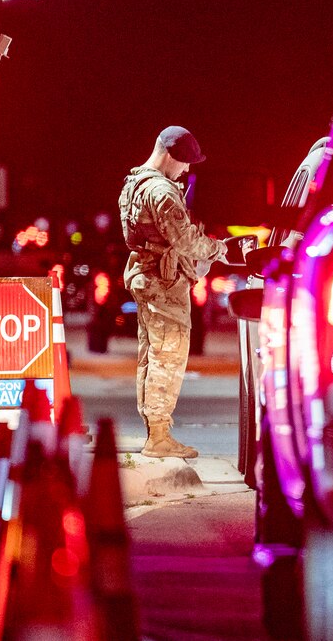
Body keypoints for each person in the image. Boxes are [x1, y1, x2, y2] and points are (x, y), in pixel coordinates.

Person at [118, 126, 228, 458]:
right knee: (168, 356)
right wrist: (218, 249)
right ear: (170, 155)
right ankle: (159, 438)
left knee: (151, 357)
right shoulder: (161, 192)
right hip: (164, 285)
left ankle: (155, 431)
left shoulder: (133, 184)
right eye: (184, 163)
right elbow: (186, 240)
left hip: (145, 278)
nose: (187, 170)